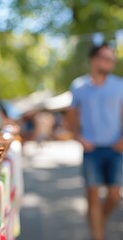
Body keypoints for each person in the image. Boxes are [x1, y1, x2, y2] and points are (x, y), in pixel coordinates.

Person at [67, 43, 123, 240]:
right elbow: (71, 117)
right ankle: (97, 235)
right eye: (106, 58)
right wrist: (79, 138)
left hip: (116, 148)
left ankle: (98, 220)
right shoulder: (79, 86)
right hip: (91, 150)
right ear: (94, 60)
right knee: (92, 196)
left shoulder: (120, 85)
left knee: (115, 196)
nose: (111, 62)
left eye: (112, 59)